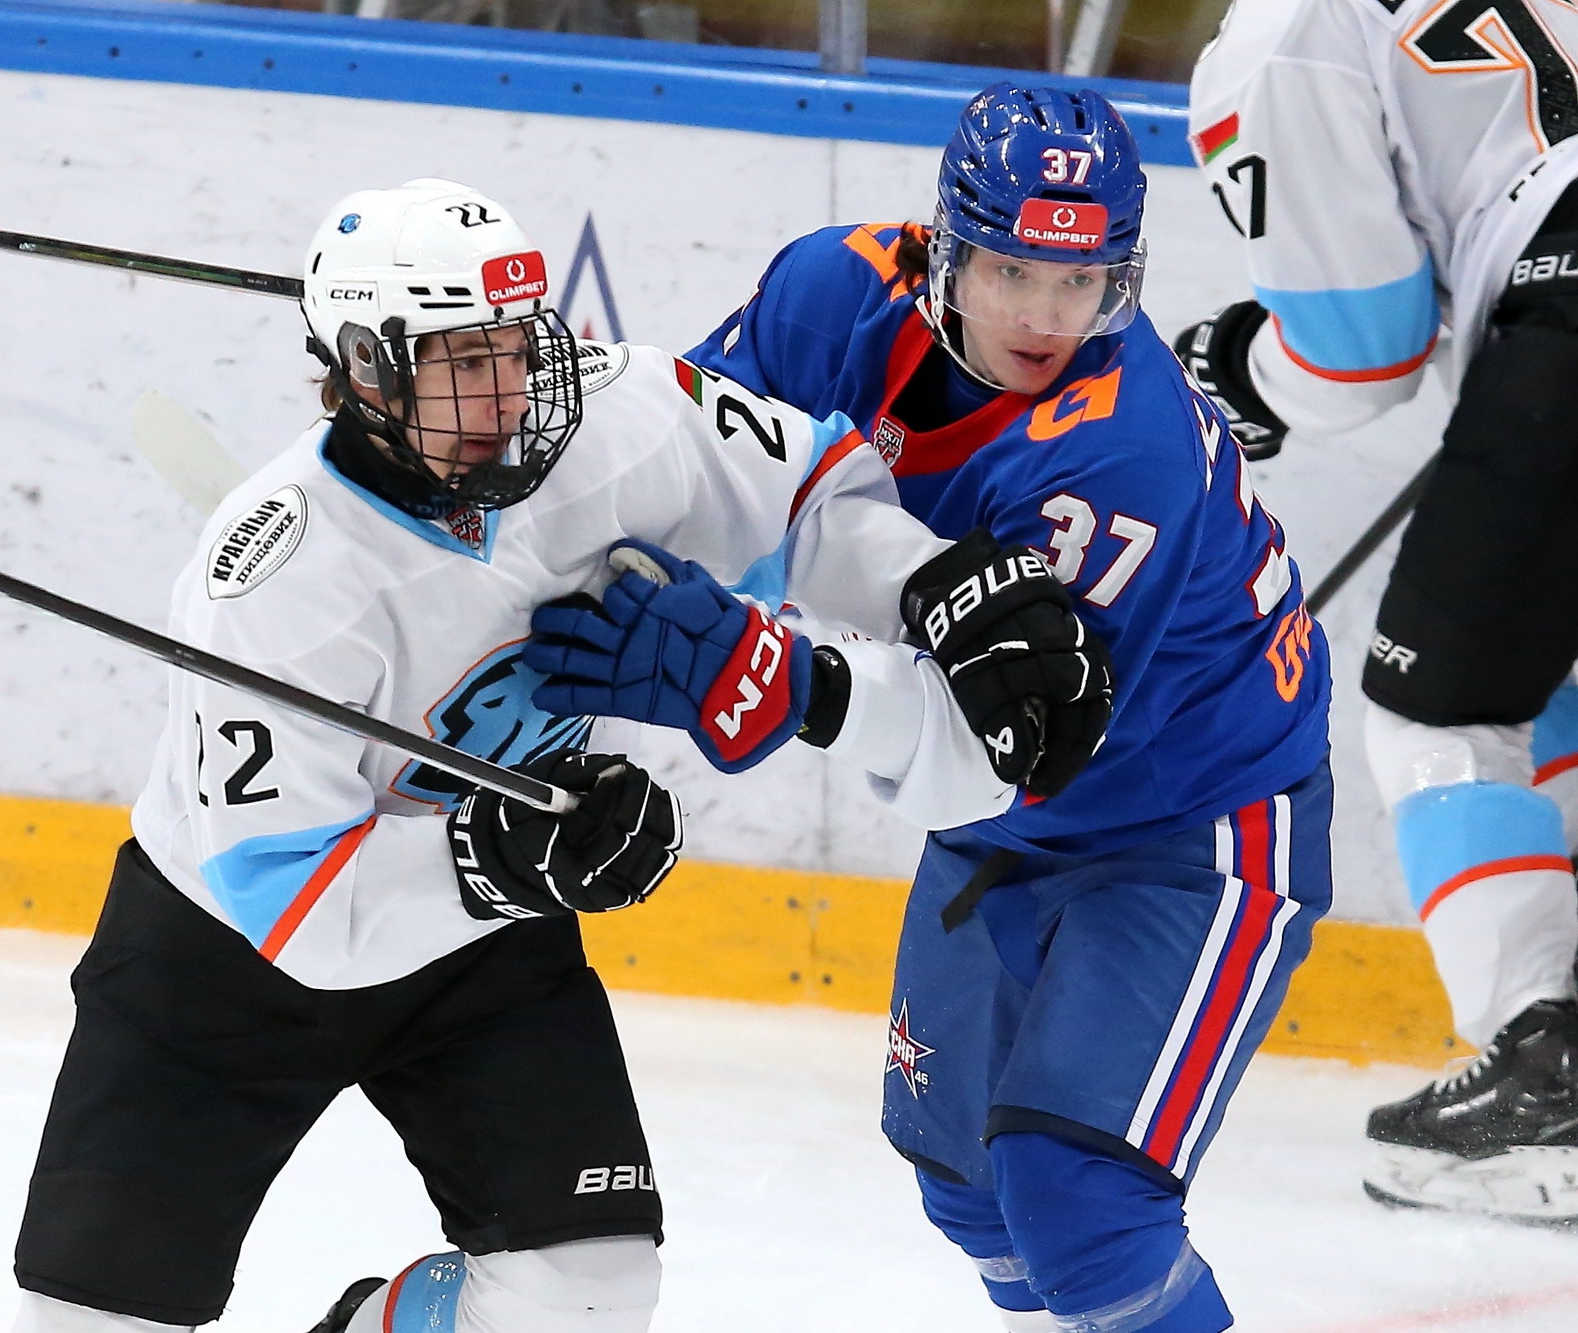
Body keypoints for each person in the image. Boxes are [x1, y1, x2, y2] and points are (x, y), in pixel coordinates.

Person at [6, 177, 1110, 1333]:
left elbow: (806, 497)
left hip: (479, 950)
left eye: (514, 347)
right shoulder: (275, 587)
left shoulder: (617, 416)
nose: (505, 394)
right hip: (222, 963)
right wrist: (493, 858)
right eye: (459, 361)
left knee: (585, 1293)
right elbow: (295, 906)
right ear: (368, 371)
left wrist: (935, 585)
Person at [528, 84, 1331, 1332]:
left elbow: (1016, 745)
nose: (1046, 317)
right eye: (1012, 271)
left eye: (1080, 282)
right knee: (967, 1192)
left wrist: (773, 678)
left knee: (1080, 1203)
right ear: (944, 250)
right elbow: (684, 472)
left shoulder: (1117, 453)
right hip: (994, 827)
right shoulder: (830, 296)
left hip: (1189, 819)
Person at [1180, 0, 1578, 1224]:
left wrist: (1237, 371)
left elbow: (1359, 354)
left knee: (1437, 714)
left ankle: (1544, 1080)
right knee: (1545, 685)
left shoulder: (1283, 31)